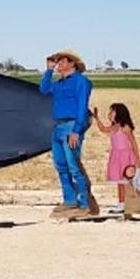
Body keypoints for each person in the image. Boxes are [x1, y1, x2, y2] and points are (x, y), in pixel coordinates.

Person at [39, 49, 97, 217]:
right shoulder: (59, 83)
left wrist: (77, 130)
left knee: (74, 166)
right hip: (58, 125)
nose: (59, 64)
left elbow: (81, 107)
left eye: (62, 61)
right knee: (61, 166)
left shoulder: (81, 82)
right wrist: (49, 70)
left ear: (72, 63)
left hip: (71, 125)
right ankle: (70, 199)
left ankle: (85, 203)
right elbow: (44, 89)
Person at [92, 102, 140, 212]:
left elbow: (133, 143)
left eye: (111, 112)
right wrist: (97, 119)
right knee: (120, 181)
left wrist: (137, 158)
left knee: (128, 181)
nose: (109, 114)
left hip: (125, 156)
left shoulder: (125, 127)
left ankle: (134, 202)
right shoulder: (113, 127)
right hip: (116, 155)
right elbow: (103, 129)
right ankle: (121, 203)